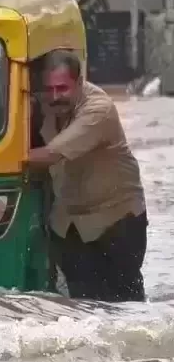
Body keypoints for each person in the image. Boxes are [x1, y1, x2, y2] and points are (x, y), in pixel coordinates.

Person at [25, 49, 147, 302]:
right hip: (69, 223)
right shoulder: (40, 101)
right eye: (49, 89)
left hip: (115, 219)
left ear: (80, 82)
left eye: (62, 88)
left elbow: (51, 154)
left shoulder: (99, 110)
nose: (55, 97)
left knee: (126, 303)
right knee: (81, 305)